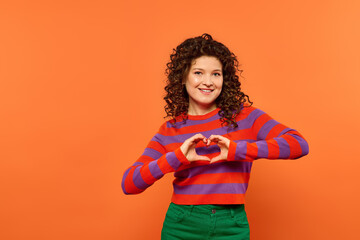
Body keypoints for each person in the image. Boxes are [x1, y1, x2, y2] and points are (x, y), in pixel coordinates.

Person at [121, 33, 309, 240]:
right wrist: (176, 158)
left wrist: (239, 150)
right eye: (199, 73)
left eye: (216, 74)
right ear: (183, 77)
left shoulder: (245, 117)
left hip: (232, 224)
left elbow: (298, 144)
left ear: (224, 79)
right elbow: (129, 184)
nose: (208, 82)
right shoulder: (170, 130)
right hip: (181, 225)